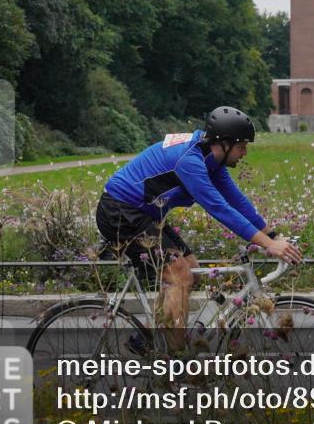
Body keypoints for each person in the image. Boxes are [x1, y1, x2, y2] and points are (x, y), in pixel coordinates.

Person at [95, 106, 302, 349]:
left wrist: (272, 235)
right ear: (224, 144)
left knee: (190, 267)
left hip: (143, 214)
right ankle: (177, 361)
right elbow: (219, 209)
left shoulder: (210, 159)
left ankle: (150, 339)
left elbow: (236, 200)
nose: (245, 152)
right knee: (179, 275)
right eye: (242, 146)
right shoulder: (189, 161)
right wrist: (269, 245)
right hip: (120, 212)